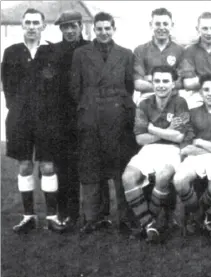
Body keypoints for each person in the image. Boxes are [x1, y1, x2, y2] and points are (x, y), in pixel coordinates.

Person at [1, 8, 66, 233]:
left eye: (35, 23)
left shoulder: (53, 52)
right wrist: (19, 109)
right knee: (25, 165)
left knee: (48, 167)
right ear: (22, 25)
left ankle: (52, 216)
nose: (31, 26)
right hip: (20, 120)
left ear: (43, 26)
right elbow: (7, 87)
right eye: (27, 22)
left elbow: (59, 88)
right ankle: (28, 216)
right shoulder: (11, 52)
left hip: (47, 120)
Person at [71, 12, 137, 234]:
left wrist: (117, 104)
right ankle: (94, 218)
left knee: (119, 168)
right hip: (90, 117)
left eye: (107, 28)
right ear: (93, 30)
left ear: (114, 29)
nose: (103, 32)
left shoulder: (126, 54)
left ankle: (126, 218)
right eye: (99, 29)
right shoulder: (81, 54)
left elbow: (129, 86)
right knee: (91, 168)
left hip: (118, 118)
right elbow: (75, 87)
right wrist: (87, 108)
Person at [122, 66, 190, 243]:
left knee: (163, 176)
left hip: (172, 150)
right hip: (149, 150)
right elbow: (140, 139)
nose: (161, 85)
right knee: (128, 177)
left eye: (165, 81)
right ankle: (149, 224)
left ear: (173, 83)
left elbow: (179, 136)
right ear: (151, 82)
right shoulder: (144, 104)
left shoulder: (180, 102)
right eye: (157, 81)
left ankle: (147, 224)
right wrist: (165, 130)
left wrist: (152, 128)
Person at [47, 10, 91, 229]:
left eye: (73, 26)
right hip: (63, 119)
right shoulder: (54, 51)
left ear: (81, 26)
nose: (70, 30)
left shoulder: (90, 48)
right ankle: (68, 214)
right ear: (61, 29)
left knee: (91, 167)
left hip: (87, 115)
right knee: (65, 168)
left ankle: (95, 215)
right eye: (65, 27)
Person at [173, 74, 211, 239]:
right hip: (195, 158)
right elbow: (185, 149)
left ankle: (197, 214)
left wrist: (199, 141)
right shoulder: (191, 113)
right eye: (206, 89)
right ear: (200, 93)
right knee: (179, 180)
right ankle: (199, 213)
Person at [133, 8, 185, 102]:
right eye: (157, 24)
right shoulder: (140, 50)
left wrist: (149, 78)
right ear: (151, 25)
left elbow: (181, 83)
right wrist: (167, 84)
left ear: (172, 25)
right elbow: (138, 83)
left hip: (173, 96)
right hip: (148, 95)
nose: (161, 27)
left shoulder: (180, 50)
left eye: (165, 24)